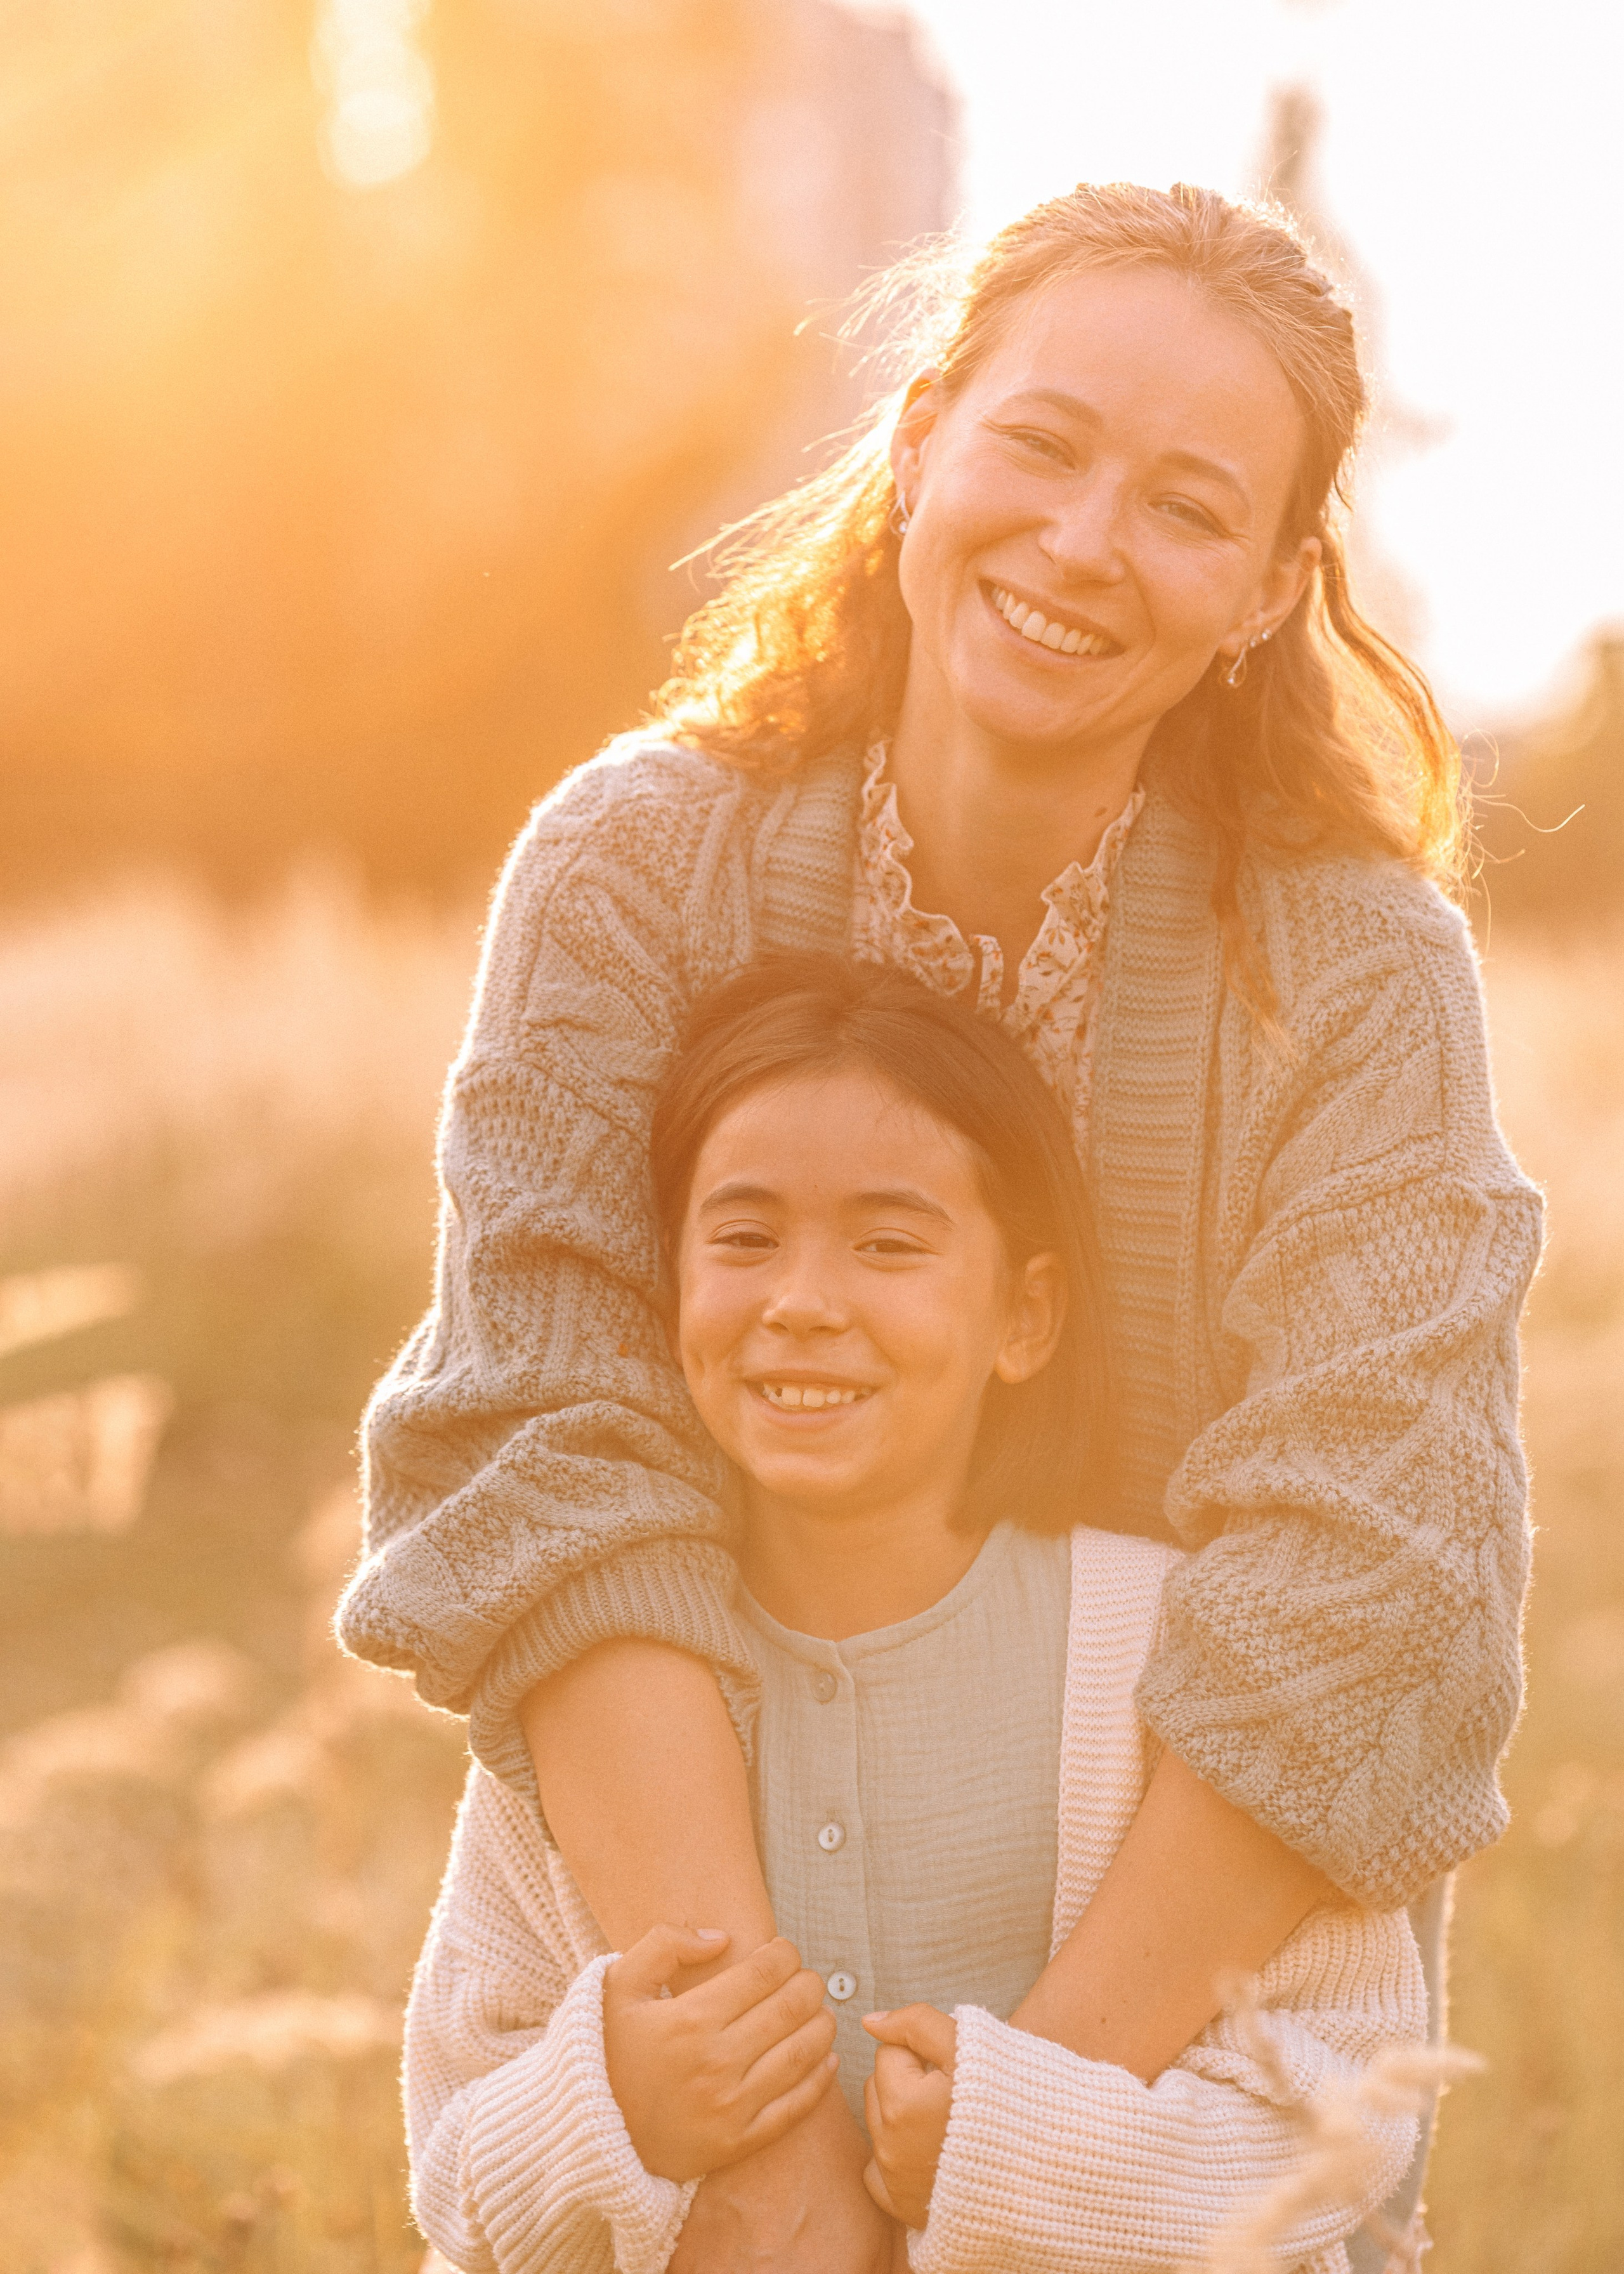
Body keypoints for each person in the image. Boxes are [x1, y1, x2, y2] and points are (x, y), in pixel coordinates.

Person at [340, 182, 1540, 2270]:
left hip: (1168, 2031)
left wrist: (1003, 2158)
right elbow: (549, 1439)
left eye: (1188, 506)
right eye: (1043, 447)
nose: (1083, 544)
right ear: (917, 444)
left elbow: (1376, 1560)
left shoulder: (1356, 970)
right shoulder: (632, 868)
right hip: (714, 1932)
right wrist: (781, 2141)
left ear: (1269, 590)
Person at [405, 955, 1427, 2274]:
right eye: (743, 1237)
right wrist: (603, 2107)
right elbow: (455, 2160)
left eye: (888, 1243)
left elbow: (1341, 2113)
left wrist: (1012, 2153)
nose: (802, 1301)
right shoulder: (605, 1686)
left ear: (1023, 1312)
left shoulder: (1176, 1650)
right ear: (668, 1288)